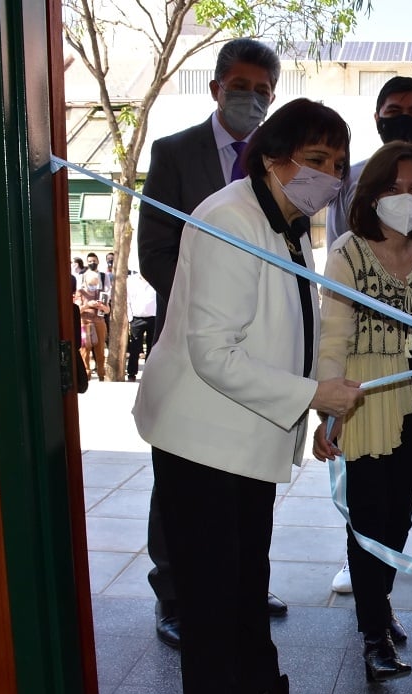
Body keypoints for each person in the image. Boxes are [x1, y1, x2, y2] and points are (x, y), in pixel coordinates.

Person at [132, 98, 363, 694]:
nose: (327, 177)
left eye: (337, 164)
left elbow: (290, 326)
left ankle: (253, 687)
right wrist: (312, 397)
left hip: (247, 431)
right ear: (270, 157)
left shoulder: (284, 221)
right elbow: (214, 354)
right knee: (208, 593)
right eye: (315, 160)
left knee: (246, 576)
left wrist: (314, 405)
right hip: (202, 437)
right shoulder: (231, 219)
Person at [137, 38, 289, 644]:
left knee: (247, 474)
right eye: (240, 87)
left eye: (262, 91)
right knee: (182, 472)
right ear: (216, 88)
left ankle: (244, 582)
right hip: (192, 343)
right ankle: (174, 593)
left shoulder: (278, 161)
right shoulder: (175, 153)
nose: (251, 98)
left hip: (259, 351)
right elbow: (156, 251)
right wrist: (213, 306)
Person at [313, 142, 412, 682]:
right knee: (369, 519)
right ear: (371, 193)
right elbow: (333, 338)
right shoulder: (347, 253)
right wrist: (328, 413)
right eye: (394, 188)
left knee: (400, 518)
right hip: (364, 400)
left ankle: (381, 603)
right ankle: (374, 636)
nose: (406, 198)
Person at [326, 76, 412, 594]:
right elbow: (338, 297)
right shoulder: (348, 188)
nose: (405, 199)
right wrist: (329, 396)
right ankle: (363, 566)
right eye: (394, 109)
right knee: (366, 482)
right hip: (364, 365)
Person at [75, 269, 109, 382]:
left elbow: (107, 310)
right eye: (91, 284)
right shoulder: (80, 293)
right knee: (85, 350)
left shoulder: (101, 293)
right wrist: (88, 305)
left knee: (100, 350)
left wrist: (102, 307)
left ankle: (101, 374)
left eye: (95, 284)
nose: (93, 286)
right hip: (85, 322)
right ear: (85, 282)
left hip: (99, 322)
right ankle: (86, 374)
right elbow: (77, 310)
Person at [125, 269, 157, 382]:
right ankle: (131, 373)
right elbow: (127, 300)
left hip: (153, 318)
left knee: (151, 347)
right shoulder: (131, 281)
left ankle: (149, 373)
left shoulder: (155, 278)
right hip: (136, 319)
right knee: (135, 347)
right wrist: (130, 318)